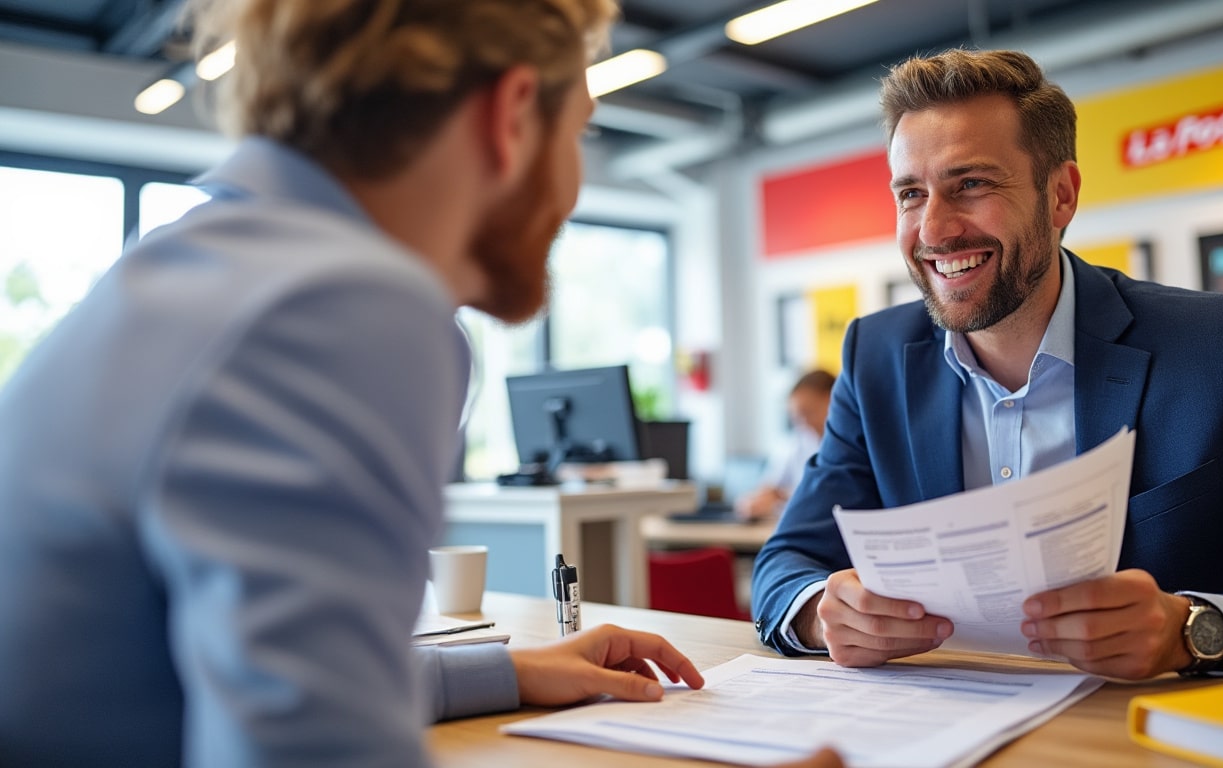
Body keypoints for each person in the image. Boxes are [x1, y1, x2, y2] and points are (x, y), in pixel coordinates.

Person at [0, 2, 842, 767]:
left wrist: (506, 671)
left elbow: (266, 674)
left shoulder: (204, 263)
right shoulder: (339, 301)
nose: (574, 186)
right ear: (513, 117)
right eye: (579, 133)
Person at [751, 48, 1223, 681]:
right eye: (911, 194)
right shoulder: (875, 358)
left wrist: (1192, 630)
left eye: (971, 184)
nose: (934, 229)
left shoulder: (1221, 347)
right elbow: (786, 561)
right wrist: (820, 611)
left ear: (1060, 195)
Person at [736, 369, 835, 520]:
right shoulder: (797, 442)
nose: (803, 423)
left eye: (808, 412)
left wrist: (784, 496)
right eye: (797, 417)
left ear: (832, 401)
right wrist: (756, 501)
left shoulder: (854, 444)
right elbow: (770, 487)